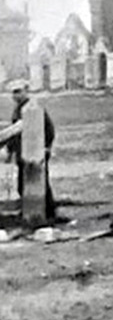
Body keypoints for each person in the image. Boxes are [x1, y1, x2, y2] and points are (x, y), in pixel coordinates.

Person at [7, 84, 59, 224]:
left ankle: (47, 213)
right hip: (22, 153)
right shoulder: (18, 110)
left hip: (36, 152)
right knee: (21, 184)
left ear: (26, 91)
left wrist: (46, 148)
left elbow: (49, 129)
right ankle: (29, 211)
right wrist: (11, 150)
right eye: (13, 93)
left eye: (18, 92)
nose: (16, 96)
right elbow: (14, 134)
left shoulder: (34, 108)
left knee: (40, 184)